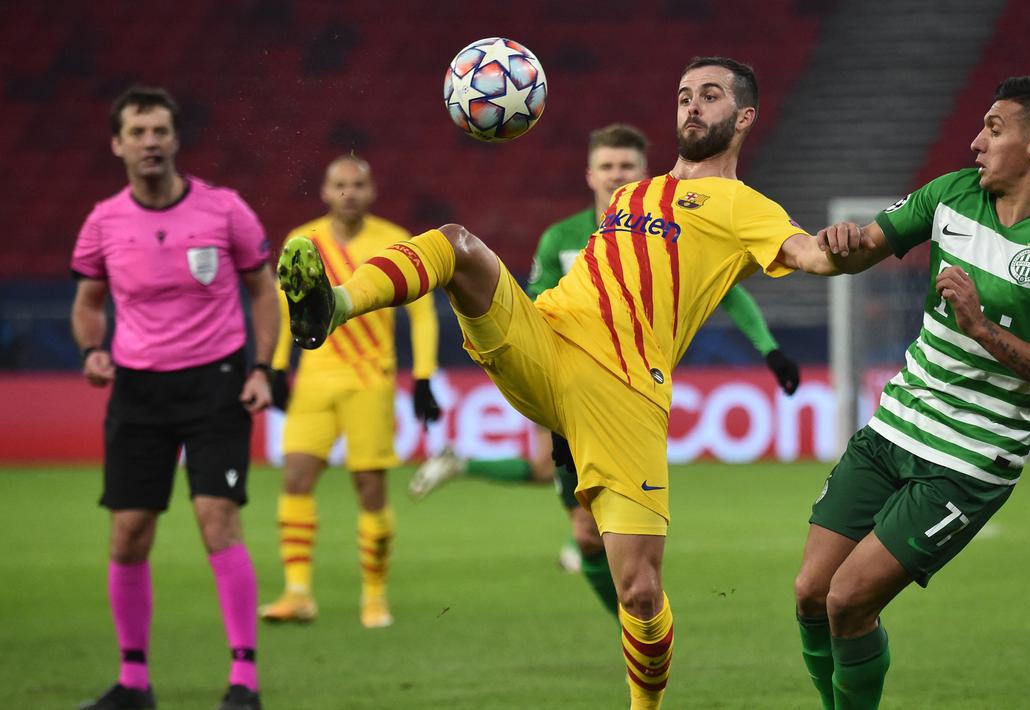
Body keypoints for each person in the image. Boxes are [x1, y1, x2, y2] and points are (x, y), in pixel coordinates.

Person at [277, 57, 843, 709]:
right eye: (683, 94)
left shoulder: (743, 207)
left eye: (708, 96)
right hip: (547, 339)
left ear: (743, 117)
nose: (690, 105)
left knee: (639, 589)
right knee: (456, 244)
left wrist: (870, 238)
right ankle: (335, 305)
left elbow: (810, 254)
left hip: (623, 395)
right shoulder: (630, 201)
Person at [793, 77, 1030, 709]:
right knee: (810, 591)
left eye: (994, 129)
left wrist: (981, 326)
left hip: (969, 461)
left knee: (849, 600)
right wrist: (837, 241)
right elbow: (864, 249)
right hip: (893, 429)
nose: (975, 142)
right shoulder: (951, 194)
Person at [408, 123, 802, 614]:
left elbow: (730, 291)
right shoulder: (561, 239)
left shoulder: (666, 223)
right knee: (585, 533)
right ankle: (630, 628)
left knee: (602, 536)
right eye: (608, 167)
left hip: (630, 386)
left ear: (643, 171)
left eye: (627, 167)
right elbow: (532, 305)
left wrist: (769, 350)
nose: (617, 175)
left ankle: (636, 627)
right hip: (559, 365)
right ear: (590, 174)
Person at [70, 86, 277, 710]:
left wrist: (262, 368)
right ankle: (133, 682)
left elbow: (264, 292)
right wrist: (91, 352)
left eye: (160, 130)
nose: (150, 142)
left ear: (176, 138)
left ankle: (244, 680)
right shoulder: (103, 221)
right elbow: (87, 303)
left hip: (215, 384)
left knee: (218, 520)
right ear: (118, 144)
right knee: (129, 533)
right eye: (137, 132)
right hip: (138, 390)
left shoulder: (225, 211)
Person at [258, 155, 442, 629]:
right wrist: (278, 367)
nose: (349, 192)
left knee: (370, 488)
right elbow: (287, 311)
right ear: (325, 190)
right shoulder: (303, 240)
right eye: (340, 184)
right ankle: (298, 592)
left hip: (370, 381)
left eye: (358, 184)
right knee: (296, 477)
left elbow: (421, 314)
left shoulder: (394, 240)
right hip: (315, 379)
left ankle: (375, 597)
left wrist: (423, 376)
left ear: (371, 190)